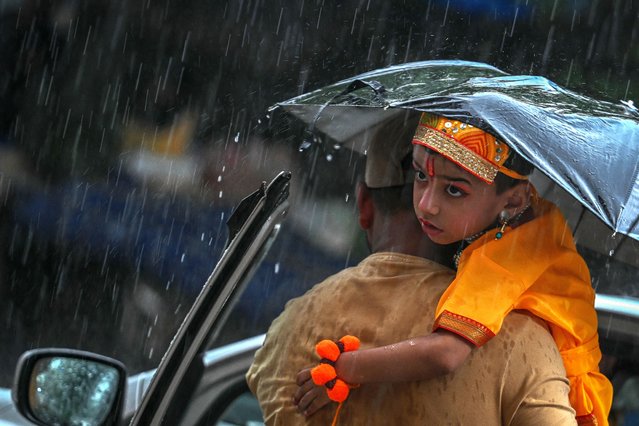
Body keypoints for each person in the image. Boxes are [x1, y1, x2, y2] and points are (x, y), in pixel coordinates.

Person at [246, 113, 577, 425]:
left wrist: (344, 367)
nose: (427, 205)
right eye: (421, 176)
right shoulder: (521, 339)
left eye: (454, 190)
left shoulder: (294, 321)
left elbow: (446, 353)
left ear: (362, 204)